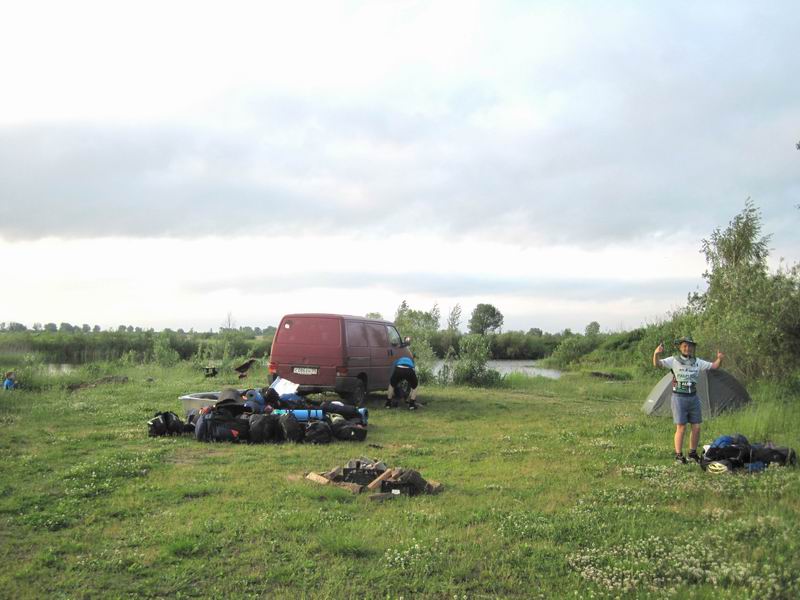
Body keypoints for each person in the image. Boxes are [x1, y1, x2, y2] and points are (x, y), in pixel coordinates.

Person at [653, 336, 723, 464]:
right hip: (679, 397)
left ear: (693, 348)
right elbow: (657, 364)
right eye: (685, 346)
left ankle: (692, 453)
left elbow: (714, 366)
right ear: (680, 347)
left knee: (696, 427)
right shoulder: (673, 360)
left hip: (693, 397)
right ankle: (679, 455)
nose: (687, 348)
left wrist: (719, 358)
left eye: (690, 346)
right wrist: (656, 354)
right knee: (681, 427)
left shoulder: (697, 361)